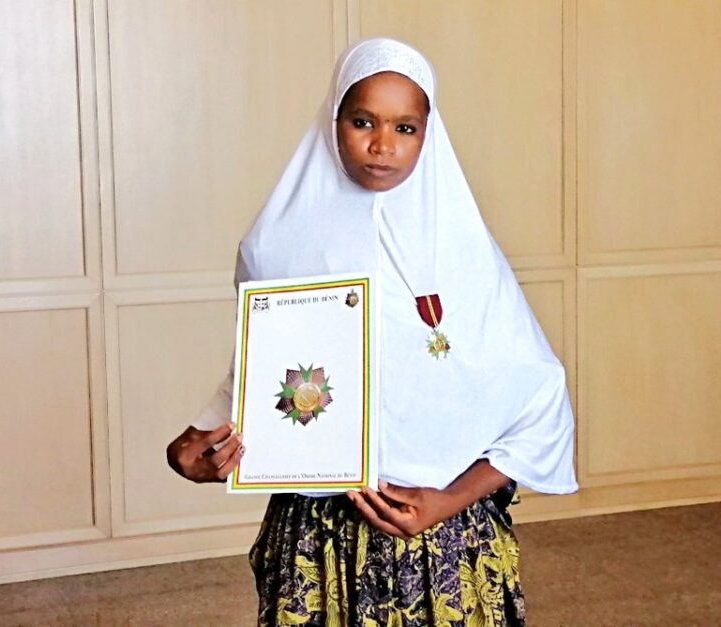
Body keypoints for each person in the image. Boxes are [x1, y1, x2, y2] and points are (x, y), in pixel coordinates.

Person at [166, 38, 577, 627]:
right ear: (333, 121)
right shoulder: (276, 245)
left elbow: (538, 398)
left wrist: (448, 500)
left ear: (428, 134)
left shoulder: (462, 255)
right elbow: (264, 374)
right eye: (363, 122)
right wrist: (193, 448)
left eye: (405, 128)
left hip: (441, 536)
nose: (383, 145)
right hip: (316, 535)